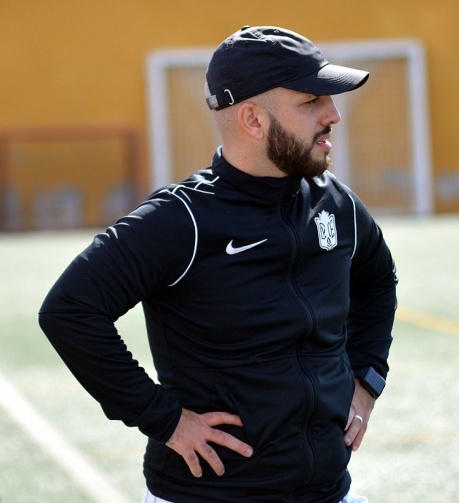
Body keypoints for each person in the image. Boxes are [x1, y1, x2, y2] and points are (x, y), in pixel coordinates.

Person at [39, 25, 397, 503]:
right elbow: (69, 311)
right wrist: (164, 419)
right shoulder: (181, 219)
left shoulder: (337, 204)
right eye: (311, 101)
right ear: (253, 119)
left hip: (329, 492)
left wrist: (367, 378)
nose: (333, 115)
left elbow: (377, 280)